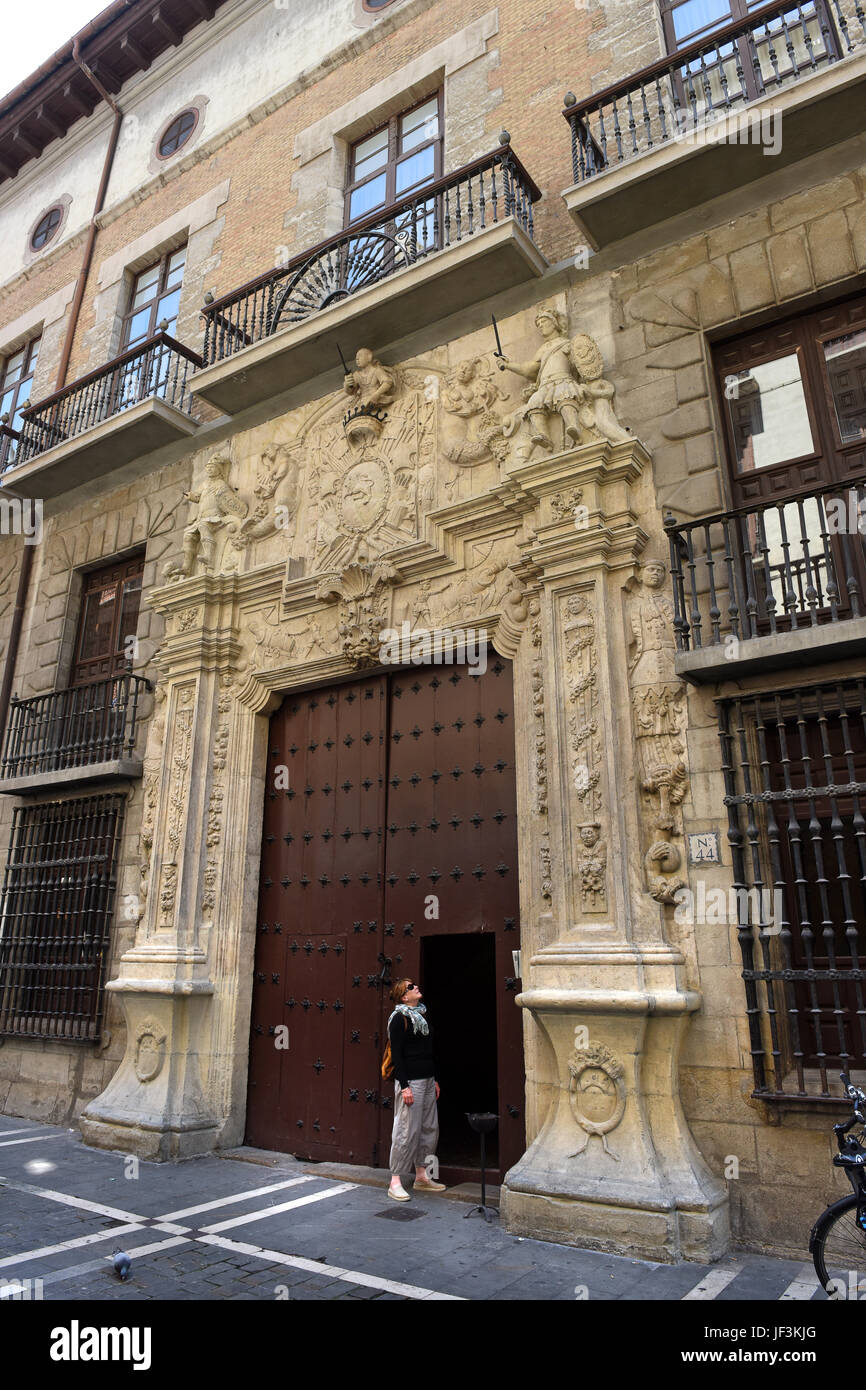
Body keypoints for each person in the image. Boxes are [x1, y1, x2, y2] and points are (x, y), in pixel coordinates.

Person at [387, 978, 446, 1202]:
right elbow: (397, 1055)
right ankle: (395, 1181)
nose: (416, 987)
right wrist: (404, 1086)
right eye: (411, 987)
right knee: (406, 1131)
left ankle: (422, 1176)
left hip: (428, 1080)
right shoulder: (398, 1019)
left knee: (429, 1128)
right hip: (411, 1082)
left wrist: (435, 1079)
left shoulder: (421, 1015)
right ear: (404, 996)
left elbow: (428, 1050)